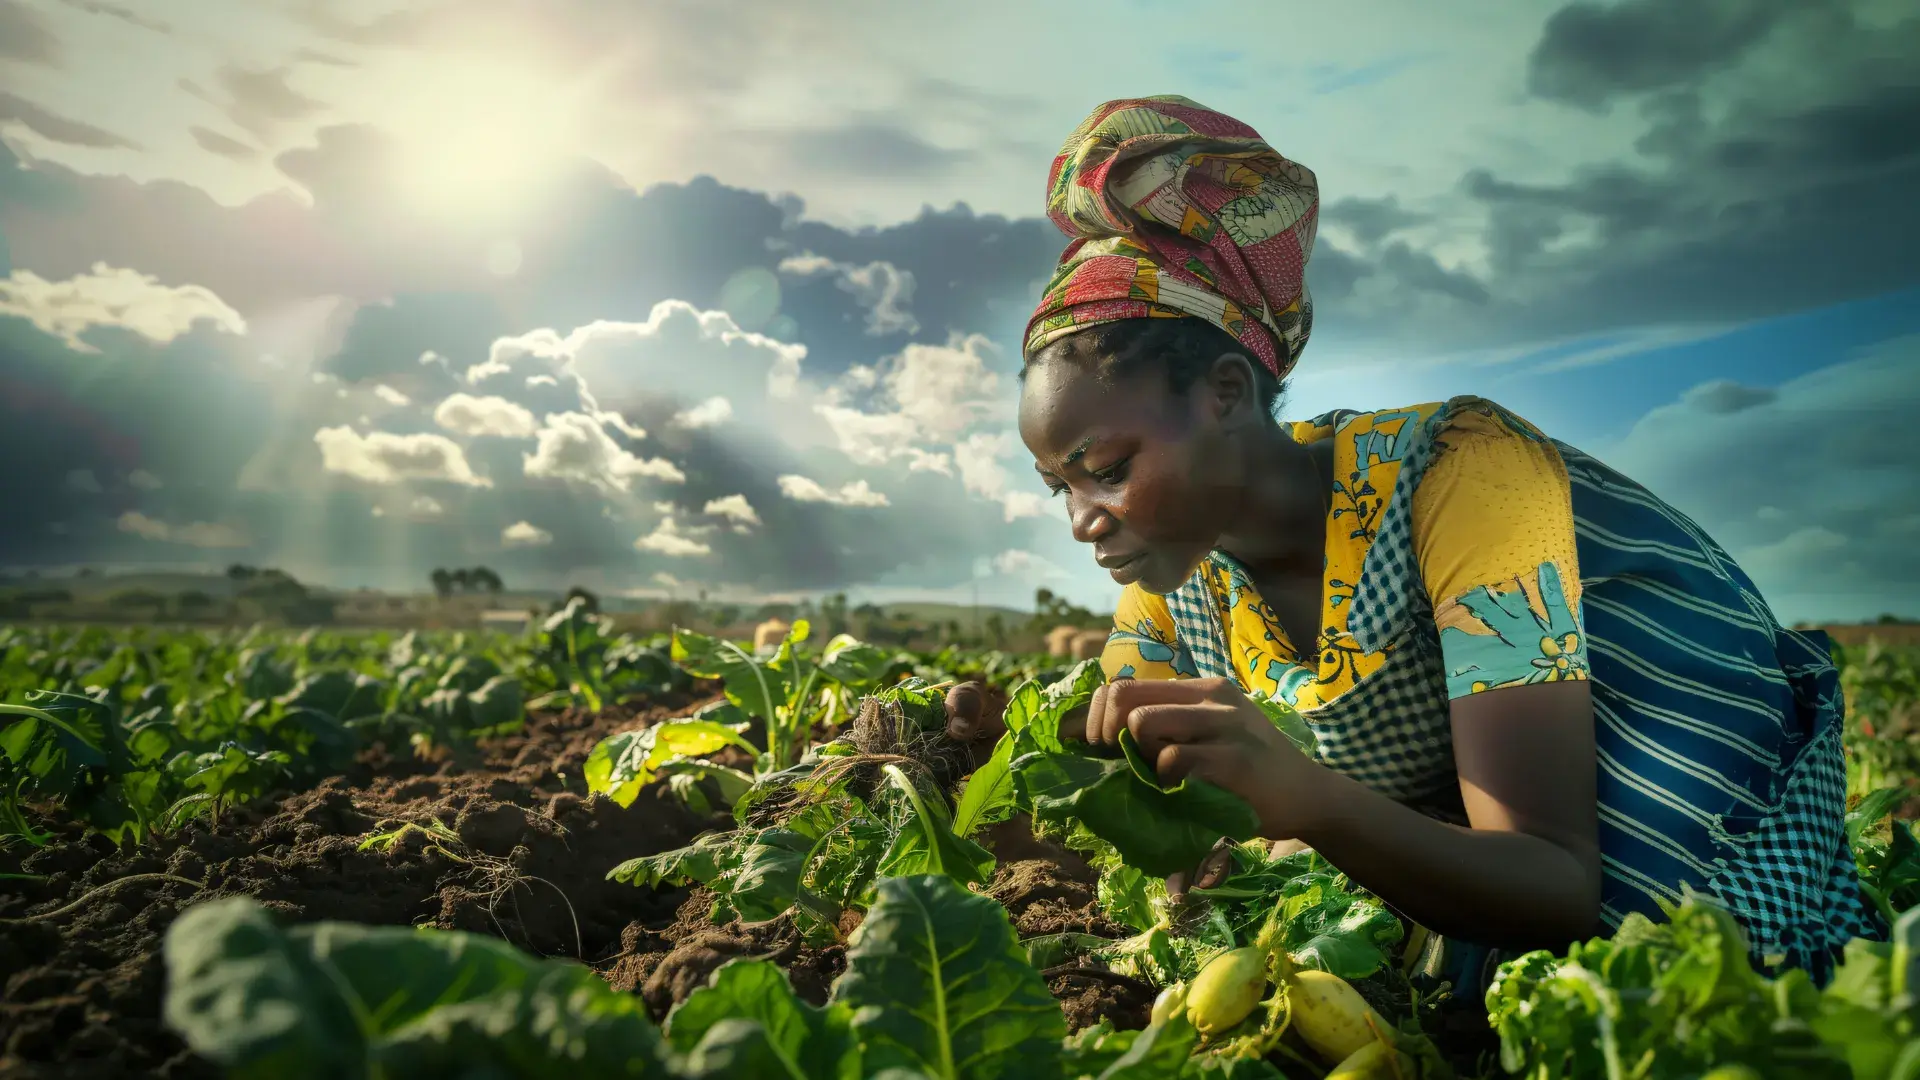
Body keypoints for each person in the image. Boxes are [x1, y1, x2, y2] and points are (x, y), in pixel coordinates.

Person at [1011, 94, 1878, 990]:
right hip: (1469, 903)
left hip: (1692, 898)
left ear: (1226, 394)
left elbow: (1556, 883)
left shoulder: (1470, 480)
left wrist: (1303, 799)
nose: (1083, 517)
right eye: (1058, 486)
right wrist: (1006, 766)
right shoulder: (1177, 577)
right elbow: (1174, 846)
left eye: (1107, 467)